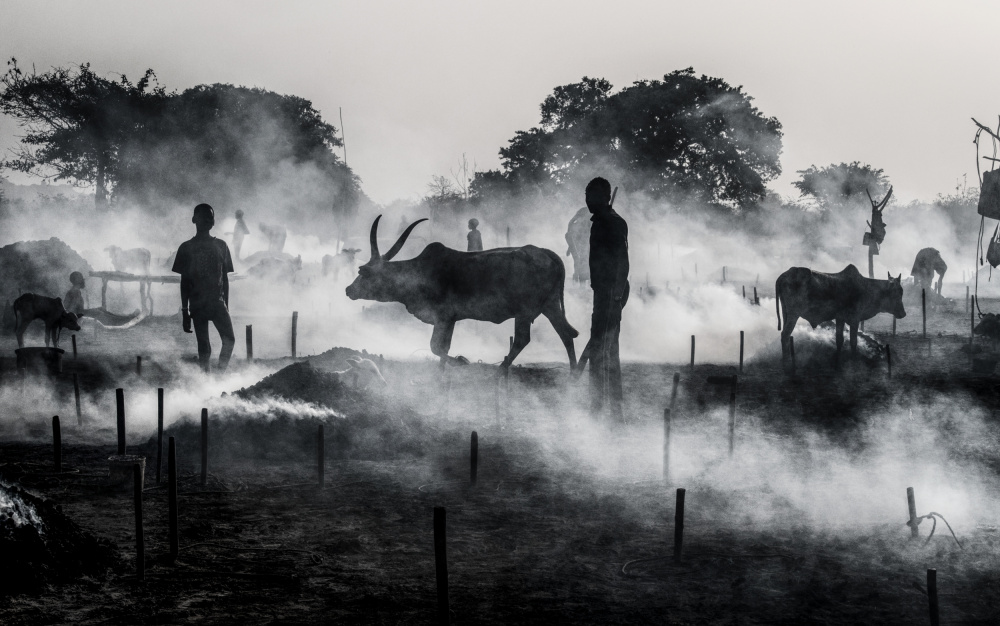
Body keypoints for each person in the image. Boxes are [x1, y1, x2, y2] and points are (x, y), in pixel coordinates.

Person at [172, 203, 236, 373]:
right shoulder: (185, 248)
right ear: (194, 220)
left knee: (227, 340)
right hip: (199, 304)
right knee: (205, 346)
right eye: (203, 217)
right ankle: (206, 380)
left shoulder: (221, 246)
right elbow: (184, 282)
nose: (207, 220)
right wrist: (185, 311)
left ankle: (218, 376)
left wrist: (226, 305)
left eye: (210, 217)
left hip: (215, 302)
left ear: (213, 221)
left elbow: (225, 278)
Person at [586, 177, 629, 420]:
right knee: (602, 348)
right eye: (586, 196)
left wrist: (616, 294)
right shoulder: (600, 223)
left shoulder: (613, 223)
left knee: (604, 350)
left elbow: (623, 261)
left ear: (604, 197)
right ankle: (604, 404)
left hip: (610, 294)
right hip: (602, 293)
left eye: (592, 196)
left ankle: (605, 405)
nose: (587, 201)